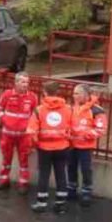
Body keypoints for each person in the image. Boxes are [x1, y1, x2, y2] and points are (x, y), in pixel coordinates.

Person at [27, 82, 73, 214]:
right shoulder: (68, 109)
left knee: (44, 174)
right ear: (58, 93)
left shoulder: (39, 110)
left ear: (45, 93)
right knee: (61, 174)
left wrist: (36, 144)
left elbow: (31, 131)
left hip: (44, 148)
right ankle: (61, 204)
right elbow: (72, 128)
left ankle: (41, 203)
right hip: (62, 147)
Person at [0, 72, 39, 193]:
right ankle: (4, 180)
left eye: (27, 82)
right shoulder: (7, 94)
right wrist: (4, 119)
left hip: (24, 135)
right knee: (6, 158)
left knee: (23, 159)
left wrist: (30, 128)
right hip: (7, 134)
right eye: (23, 82)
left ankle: (23, 183)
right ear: (16, 82)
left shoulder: (32, 97)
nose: (26, 85)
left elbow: (35, 114)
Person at [67, 84, 107, 207]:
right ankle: (71, 189)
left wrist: (85, 134)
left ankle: (86, 192)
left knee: (86, 169)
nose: (74, 96)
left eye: (77, 93)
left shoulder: (97, 110)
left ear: (85, 95)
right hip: (72, 145)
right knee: (71, 167)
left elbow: (101, 129)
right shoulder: (71, 108)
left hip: (86, 146)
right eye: (74, 93)